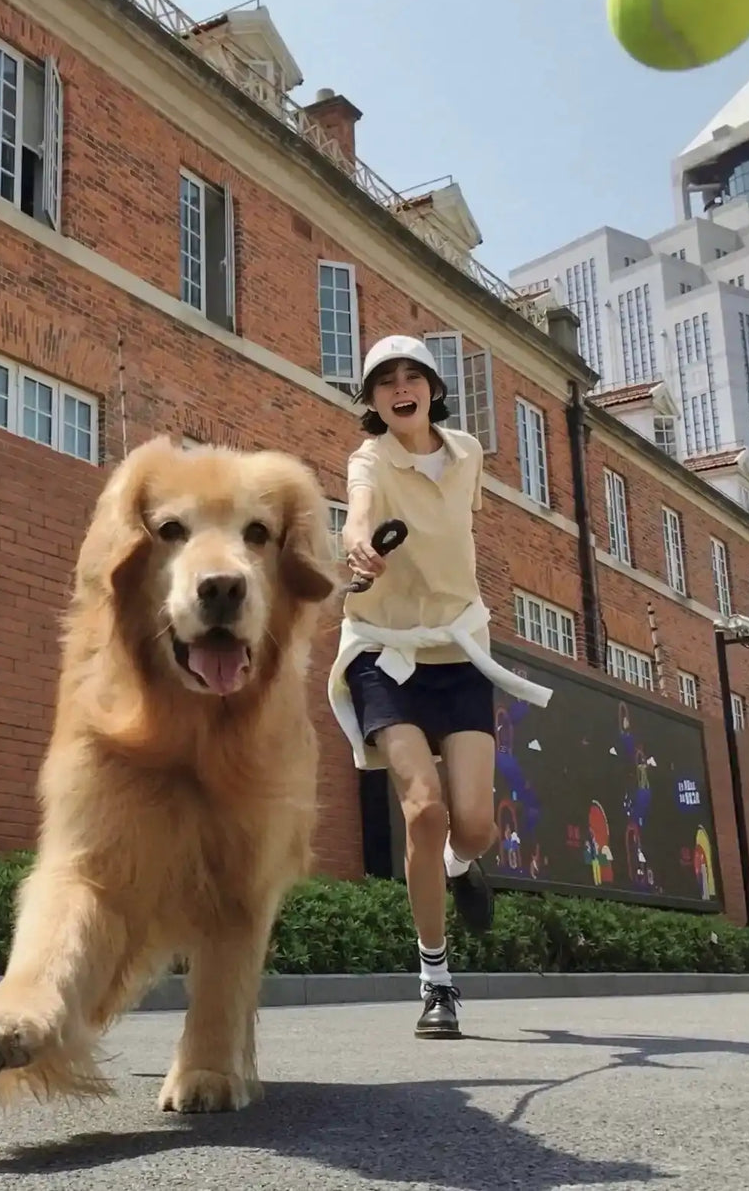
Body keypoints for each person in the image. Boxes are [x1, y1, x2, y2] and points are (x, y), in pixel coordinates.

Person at [327, 335, 552, 1039]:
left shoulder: (467, 455)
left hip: (457, 654)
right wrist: (358, 542)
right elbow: (360, 509)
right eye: (384, 380)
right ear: (372, 401)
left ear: (432, 388)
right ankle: (436, 979)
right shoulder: (368, 459)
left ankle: (459, 867)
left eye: (412, 375)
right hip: (384, 655)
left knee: (475, 826)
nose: (400, 387)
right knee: (423, 811)